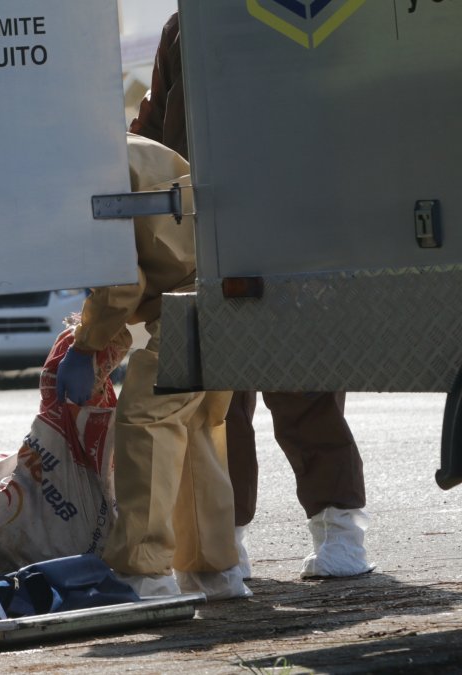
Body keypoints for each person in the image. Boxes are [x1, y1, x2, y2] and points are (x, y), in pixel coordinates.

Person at [130, 12, 373, 580]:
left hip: (294, 225)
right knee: (220, 399)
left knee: (302, 385)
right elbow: (155, 131)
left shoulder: (304, 14)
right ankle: (222, 544)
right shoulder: (188, 23)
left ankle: (338, 530)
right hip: (211, 224)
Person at [55, 134, 248, 600]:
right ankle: (213, 571)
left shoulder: (81, 165)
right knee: (196, 427)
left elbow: (121, 278)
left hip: (189, 299)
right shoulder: (122, 147)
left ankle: (144, 573)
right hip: (227, 287)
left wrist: (86, 346)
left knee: (148, 421)